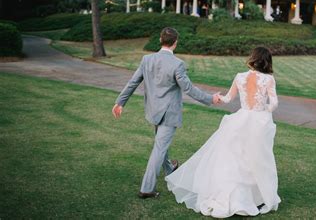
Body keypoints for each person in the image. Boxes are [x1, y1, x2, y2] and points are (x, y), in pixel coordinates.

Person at [166, 47, 281, 218]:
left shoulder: (240, 77)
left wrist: (217, 97)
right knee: (257, 158)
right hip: (257, 122)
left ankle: (231, 195)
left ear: (253, 58)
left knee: (235, 158)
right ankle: (254, 197)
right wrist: (264, 108)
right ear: (267, 61)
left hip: (240, 120)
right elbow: (274, 104)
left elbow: (228, 98)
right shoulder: (268, 79)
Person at [112, 27, 221, 199]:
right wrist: (211, 98)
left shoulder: (146, 59)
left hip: (153, 111)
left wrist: (120, 102)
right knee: (159, 149)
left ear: (160, 41)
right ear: (175, 43)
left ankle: (170, 168)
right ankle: (147, 188)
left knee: (160, 144)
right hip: (168, 114)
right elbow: (189, 89)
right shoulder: (177, 64)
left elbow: (132, 82)